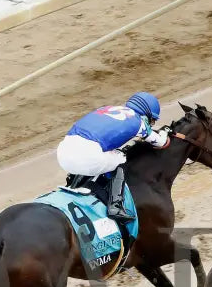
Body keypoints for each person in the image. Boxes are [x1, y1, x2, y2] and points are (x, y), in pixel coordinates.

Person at [56, 92, 170, 223]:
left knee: (107, 155)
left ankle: (73, 185)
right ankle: (115, 206)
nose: (151, 123)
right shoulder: (139, 122)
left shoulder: (107, 109)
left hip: (63, 152)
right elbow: (161, 142)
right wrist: (164, 132)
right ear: (146, 114)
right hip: (86, 157)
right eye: (152, 120)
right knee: (121, 158)